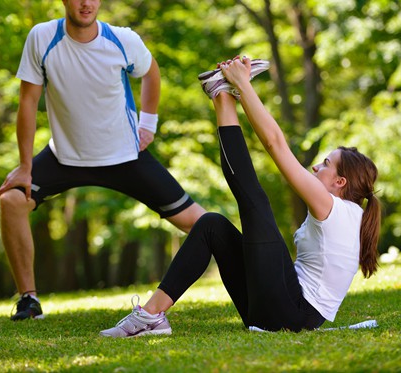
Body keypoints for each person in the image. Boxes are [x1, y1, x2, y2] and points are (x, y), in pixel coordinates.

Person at [100, 56, 381, 337]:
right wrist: (232, 89)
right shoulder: (343, 213)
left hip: (293, 315)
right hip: (276, 309)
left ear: (340, 182)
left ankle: (229, 88)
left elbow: (276, 144)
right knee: (212, 226)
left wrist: (244, 85)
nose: (316, 167)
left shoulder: (336, 209)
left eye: (326, 165)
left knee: (255, 201)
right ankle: (221, 94)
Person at [0, 0, 206, 321]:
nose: (86, 3)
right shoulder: (42, 38)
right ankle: (28, 300)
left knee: (200, 223)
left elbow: (151, 72)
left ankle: (255, 276)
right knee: (12, 201)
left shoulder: (123, 40)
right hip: (64, 157)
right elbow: (27, 102)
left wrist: (147, 124)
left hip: (124, 156)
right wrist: (25, 167)